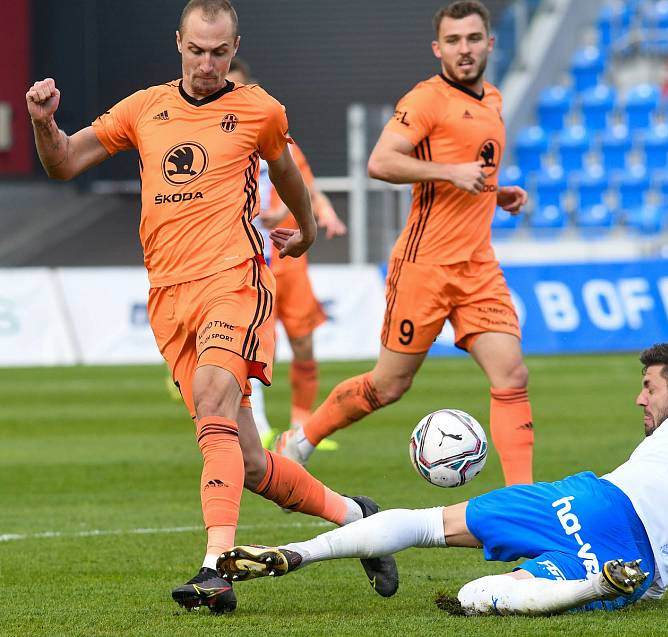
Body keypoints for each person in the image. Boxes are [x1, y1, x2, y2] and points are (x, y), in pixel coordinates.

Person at [25, 0, 396, 613]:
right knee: (249, 462)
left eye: (219, 52)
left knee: (216, 401)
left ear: (234, 48)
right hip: (169, 298)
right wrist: (42, 122)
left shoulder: (258, 109)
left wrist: (303, 230)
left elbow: (289, 173)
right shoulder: (144, 108)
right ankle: (361, 520)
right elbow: (65, 161)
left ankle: (214, 567)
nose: (206, 63)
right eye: (196, 50)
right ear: (178, 43)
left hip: (235, 280)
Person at [217, 338, 668, 616]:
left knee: (427, 526)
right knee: (476, 598)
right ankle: (597, 584)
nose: (639, 398)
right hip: (621, 533)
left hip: (593, 501)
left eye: (651, 387)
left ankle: (300, 550)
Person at [275, 0, 534, 487]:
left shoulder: (493, 100)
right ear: (438, 48)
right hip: (424, 266)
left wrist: (496, 193)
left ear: (489, 43)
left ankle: (522, 503)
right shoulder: (425, 100)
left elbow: (467, 169)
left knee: (512, 376)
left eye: (473, 39)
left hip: (478, 267)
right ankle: (301, 440)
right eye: (454, 41)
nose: (465, 49)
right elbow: (381, 162)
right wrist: (449, 172)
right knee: (388, 385)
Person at [226, 58, 345, 451]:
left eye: (237, 86)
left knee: (303, 343)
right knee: (247, 345)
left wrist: (324, 213)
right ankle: (256, 423)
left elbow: (306, 183)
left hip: (287, 257)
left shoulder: (273, 134)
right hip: (241, 258)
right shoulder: (212, 145)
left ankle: (301, 426)